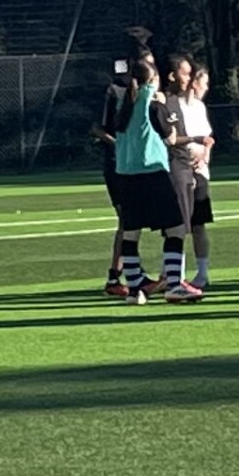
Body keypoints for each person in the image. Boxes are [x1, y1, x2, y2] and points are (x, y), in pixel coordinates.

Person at [112, 50, 201, 303]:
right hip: (152, 173)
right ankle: (174, 284)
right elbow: (171, 138)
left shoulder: (124, 105)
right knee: (175, 229)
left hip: (125, 176)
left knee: (131, 233)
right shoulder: (153, 103)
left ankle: (134, 289)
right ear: (153, 81)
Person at [97, 29, 153, 298]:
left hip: (132, 164)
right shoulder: (116, 91)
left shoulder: (145, 94)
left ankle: (132, 274)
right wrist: (120, 145)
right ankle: (119, 277)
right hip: (118, 165)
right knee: (127, 221)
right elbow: (98, 128)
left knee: (133, 221)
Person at [179, 62, 219, 288]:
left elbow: (208, 137)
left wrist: (204, 156)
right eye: (204, 83)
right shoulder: (176, 105)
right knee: (178, 225)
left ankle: (203, 274)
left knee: (198, 224)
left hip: (200, 172)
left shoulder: (199, 108)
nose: (206, 88)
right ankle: (176, 274)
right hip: (181, 170)